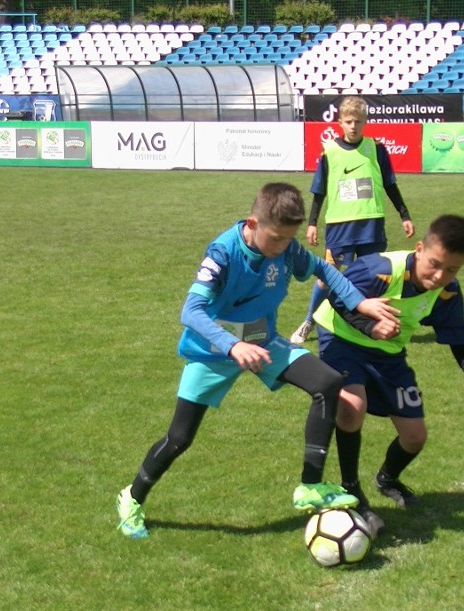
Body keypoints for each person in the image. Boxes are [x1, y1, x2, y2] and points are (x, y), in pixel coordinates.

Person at [115, 182, 401, 539]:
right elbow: (191, 310)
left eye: (288, 239)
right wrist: (230, 346)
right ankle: (133, 498)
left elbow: (324, 271)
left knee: (328, 382)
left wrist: (361, 303)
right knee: (179, 437)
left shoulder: (286, 249)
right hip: (212, 350)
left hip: (261, 342)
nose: (283, 248)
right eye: (277, 238)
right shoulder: (222, 253)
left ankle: (309, 485)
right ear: (252, 223)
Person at [314, 215, 464, 522]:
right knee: (351, 408)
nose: (439, 276)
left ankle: (387, 479)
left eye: (451, 269)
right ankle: (351, 488)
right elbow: (335, 295)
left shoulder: (447, 292)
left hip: (389, 355)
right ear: (419, 249)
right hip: (341, 339)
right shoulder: (380, 270)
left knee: (414, 437)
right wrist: (369, 327)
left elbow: (459, 340)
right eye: (434, 264)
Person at [289, 96, 414, 346]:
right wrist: (312, 222)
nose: (353, 126)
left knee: (376, 277)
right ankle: (309, 322)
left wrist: (404, 215)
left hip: (371, 225)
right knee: (327, 276)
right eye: (348, 121)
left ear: (365, 122)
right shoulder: (330, 152)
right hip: (339, 226)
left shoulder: (376, 150)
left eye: (358, 121)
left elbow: (390, 185)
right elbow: (319, 190)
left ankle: (373, 324)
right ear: (340, 123)